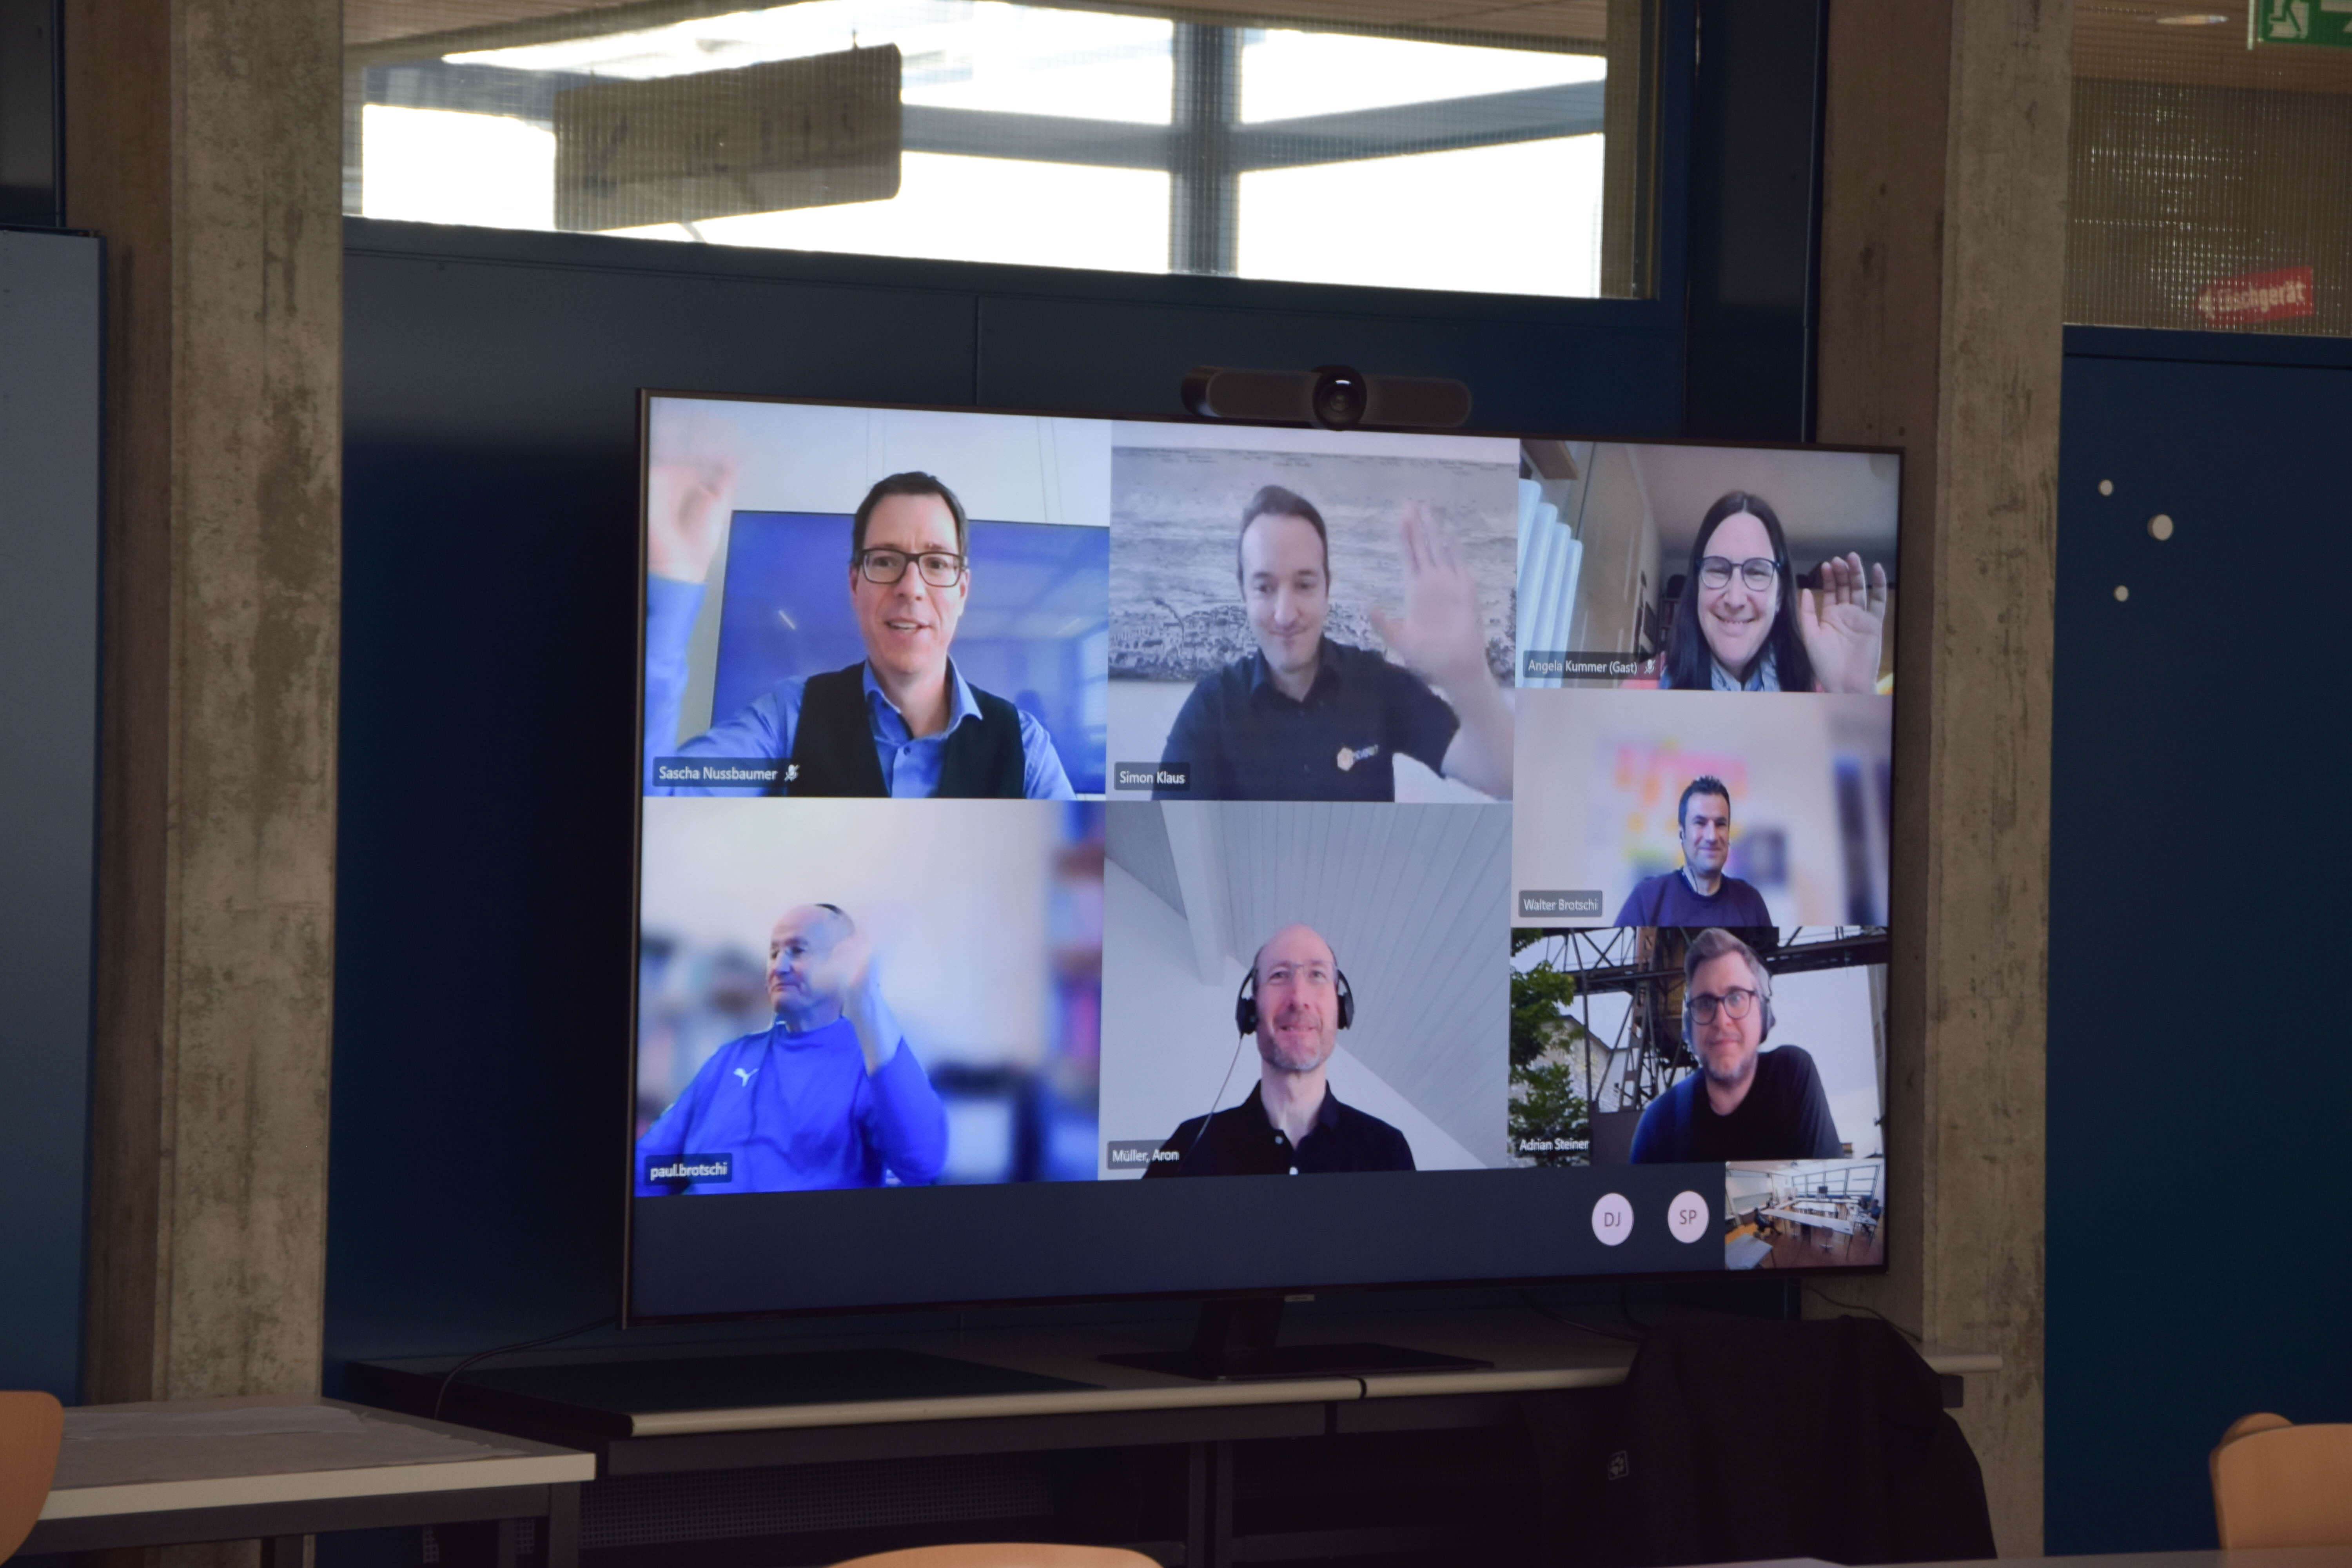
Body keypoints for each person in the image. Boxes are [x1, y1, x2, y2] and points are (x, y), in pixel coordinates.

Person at [642, 461, 1074, 798]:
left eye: (937, 563)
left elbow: (1079, 873)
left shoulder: (1026, 746)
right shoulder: (787, 721)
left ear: (962, 591)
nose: (911, 587)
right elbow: (661, 799)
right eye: (884, 560)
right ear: (854, 584)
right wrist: (674, 577)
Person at [1154, 486, 1512, 801]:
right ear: (1244, 593)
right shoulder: (1210, 710)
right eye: (1264, 588)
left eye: (1304, 585)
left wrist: (1468, 679)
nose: (1285, 615)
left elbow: (1504, 780)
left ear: (1327, 588)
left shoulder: (1377, 684)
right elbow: (1165, 836)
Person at [635, 903, 947, 1192]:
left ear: (840, 964)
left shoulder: (868, 1059)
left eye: (798, 951)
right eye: (774, 953)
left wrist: (866, 997)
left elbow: (922, 1164)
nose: (779, 966)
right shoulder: (728, 1059)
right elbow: (647, 1169)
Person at [1144, 924, 1415, 1176]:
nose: (1298, 998)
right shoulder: (1187, 1147)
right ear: (1251, 1010)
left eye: (1317, 975)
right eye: (1279, 975)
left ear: (1341, 1009)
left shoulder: (1388, 1150)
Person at [1628, 927, 1841, 1164]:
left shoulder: (1792, 1076)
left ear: (1763, 1014)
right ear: (1690, 1027)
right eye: (1705, 1003)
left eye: (1737, 998)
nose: (1721, 1020)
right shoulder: (1658, 1123)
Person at [1657, 492, 1889, 694]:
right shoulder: (1645, 684)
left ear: (1779, 596)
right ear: (1697, 586)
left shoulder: (1821, 689)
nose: (1735, 600)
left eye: (1756, 572)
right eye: (1718, 570)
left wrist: (1851, 696)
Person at [1614, 775, 1773, 926]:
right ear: (1682, 834)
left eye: (1720, 824)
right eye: (1700, 823)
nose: (1712, 837)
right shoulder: (1647, 900)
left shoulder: (1752, 904)